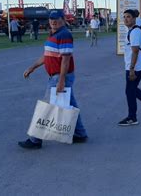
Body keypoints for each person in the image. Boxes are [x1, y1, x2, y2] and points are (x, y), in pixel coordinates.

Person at [18, 9, 88, 149]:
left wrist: (61, 80)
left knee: (45, 107)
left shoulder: (64, 35)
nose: (53, 21)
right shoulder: (53, 34)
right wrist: (33, 67)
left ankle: (35, 140)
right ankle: (80, 134)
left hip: (59, 77)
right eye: (51, 19)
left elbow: (65, 60)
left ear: (63, 19)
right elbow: (47, 55)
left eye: (56, 19)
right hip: (57, 76)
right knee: (71, 104)